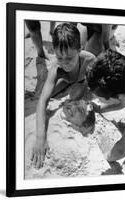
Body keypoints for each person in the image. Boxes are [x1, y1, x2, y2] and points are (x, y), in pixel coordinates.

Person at [31, 22, 95, 168]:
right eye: (60, 57)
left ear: (79, 50)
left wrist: (83, 90)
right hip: (67, 78)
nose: (64, 63)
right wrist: (40, 138)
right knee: (44, 93)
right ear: (54, 52)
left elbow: (94, 87)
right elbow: (42, 101)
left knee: (75, 95)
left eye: (69, 58)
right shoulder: (57, 67)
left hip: (81, 79)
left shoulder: (90, 60)